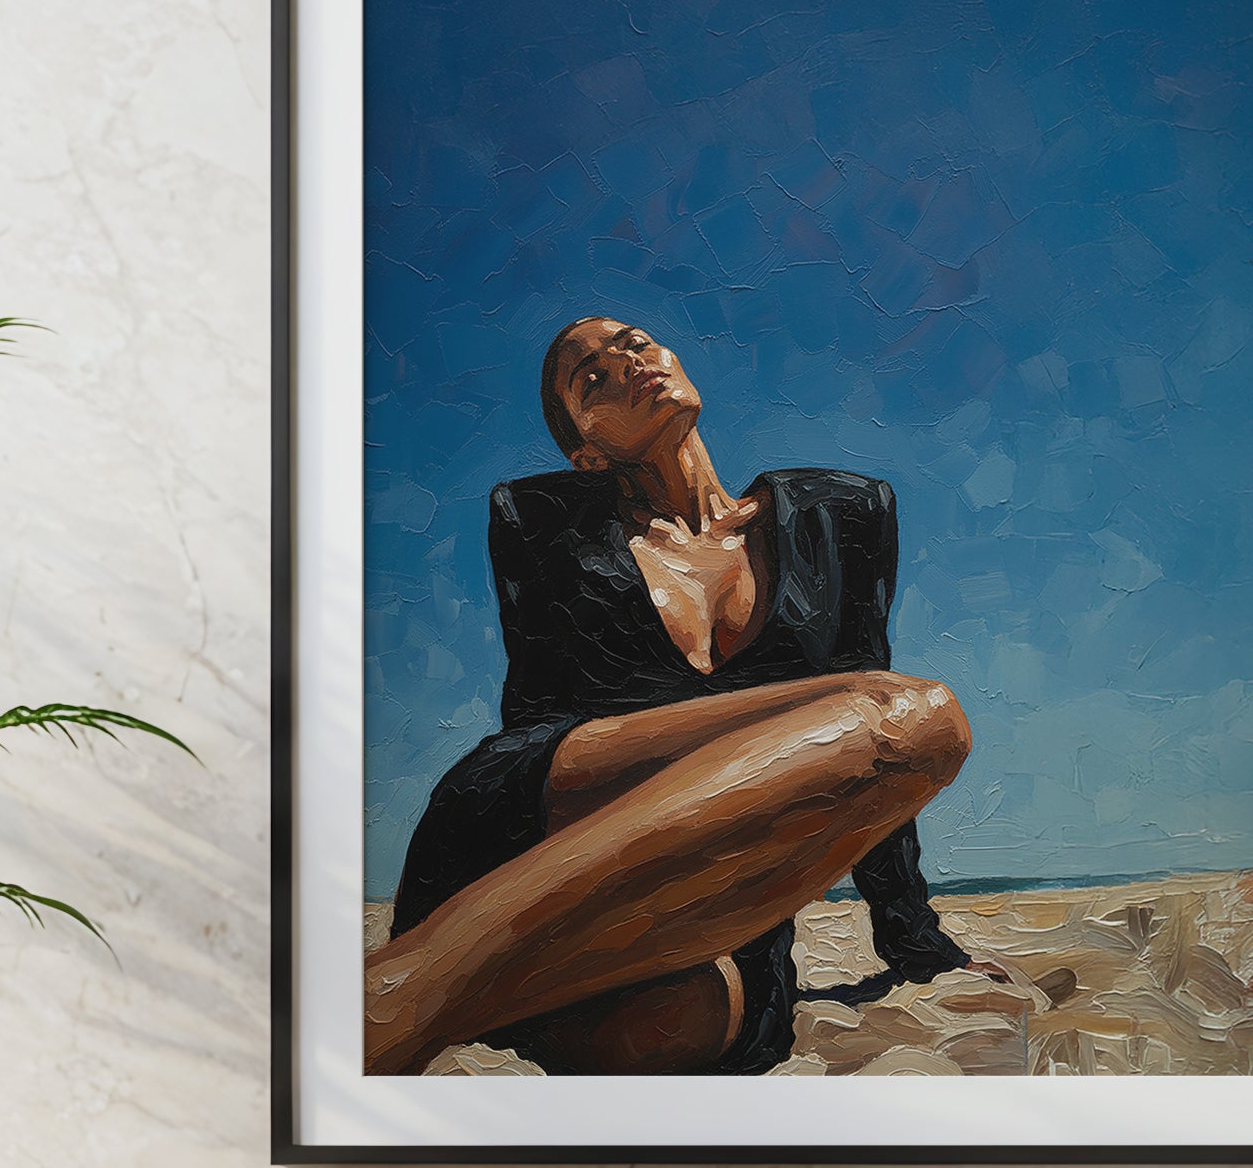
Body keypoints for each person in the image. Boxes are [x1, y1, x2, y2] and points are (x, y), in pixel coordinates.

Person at [367, 318, 999, 1076]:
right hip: (546, 812)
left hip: (694, 884)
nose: (625, 365)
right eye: (590, 380)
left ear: (674, 359)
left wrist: (911, 939)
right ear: (586, 450)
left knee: (688, 1019)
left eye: (633, 343)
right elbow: (537, 725)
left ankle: (446, 1003)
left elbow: (865, 788)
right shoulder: (544, 521)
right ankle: (395, 996)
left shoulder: (839, 517)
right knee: (911, 716)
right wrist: (848, 700)